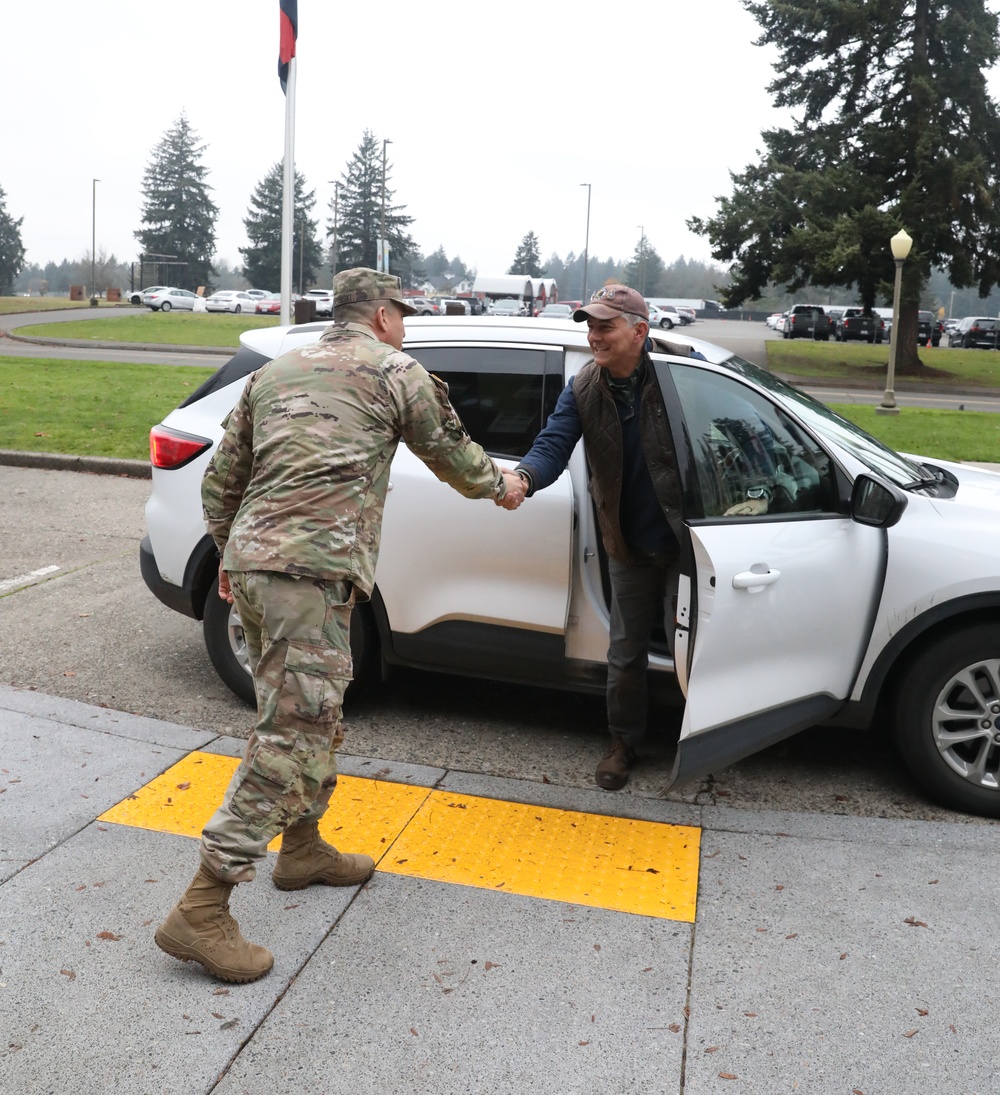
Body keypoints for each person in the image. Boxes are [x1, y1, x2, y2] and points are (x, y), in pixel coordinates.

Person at [155, 268, 526, 983]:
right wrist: (504, 487)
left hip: (260, 573)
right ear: (382, 314)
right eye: (403, 314)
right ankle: (202, 908)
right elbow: (452, 453)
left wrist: (234, 553)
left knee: (302, 712)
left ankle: (302, 848)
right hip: (311, 577)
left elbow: (220, 479)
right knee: (290, 733)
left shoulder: (276, 371)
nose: (407, 326)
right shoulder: (396, 371)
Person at [513, 285, 688, 792]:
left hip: (690, 546)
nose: (594, 335)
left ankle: (701, 735)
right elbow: (553, 443)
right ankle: (624, 741)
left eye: (605, 326)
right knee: (626, 652)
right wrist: (523, 479)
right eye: (589, 326)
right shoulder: (583, 386)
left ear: (640, 331)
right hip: (627, 543)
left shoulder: (682, 371)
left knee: (696, 649)